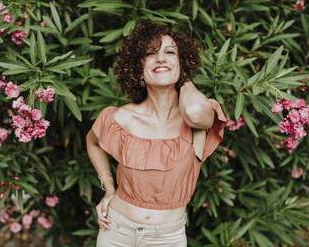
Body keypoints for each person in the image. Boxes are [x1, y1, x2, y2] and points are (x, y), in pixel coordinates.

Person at [86, 21, 226, 247]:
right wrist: (108, 187)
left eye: (170, 52)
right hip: (116, 231)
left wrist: (183, 77)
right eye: (150, 54)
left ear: (182, 62)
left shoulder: (197, 120)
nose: (161, 58)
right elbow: (92, 143)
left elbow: (192, 111)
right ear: (139, 69)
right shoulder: (120, 118)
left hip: (167, 239)